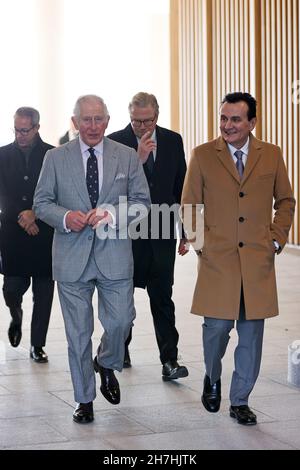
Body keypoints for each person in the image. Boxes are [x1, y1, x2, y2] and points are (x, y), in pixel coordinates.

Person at [33, 94, 150, 424]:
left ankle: (107, 361)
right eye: (87, 119)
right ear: (75, 122)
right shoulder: (55, 158)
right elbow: (41, 203)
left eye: (99, 119)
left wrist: (112, 214)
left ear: (108, 121)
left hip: (114, 255)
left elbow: (142, 202)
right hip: (71, 257)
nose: (93, 126)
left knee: (121, 321)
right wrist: (67, 216)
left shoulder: (126, 157)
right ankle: (84, 399)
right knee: (78, 335)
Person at [181, 92, 296, 425]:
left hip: (257, 261)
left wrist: (276, 240)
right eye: (223, 118)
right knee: (215, 330)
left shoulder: (271, 155)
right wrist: (201, 244)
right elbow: (189, 205)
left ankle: (240, 400)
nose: (226, 126)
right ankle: (212, 376)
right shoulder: (202, 155)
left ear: (252, 123)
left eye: (234, 119)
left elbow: (286, 201)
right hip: (218, 260)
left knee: (251, 334)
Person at [108, 92, 189, 380]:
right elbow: (110, 190)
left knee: (163, 298)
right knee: (122, 298)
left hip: (163, 230)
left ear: (157, 116)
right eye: (136, 121)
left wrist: (188, 232)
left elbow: (182, 186)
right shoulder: (116, 142)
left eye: (147, 121)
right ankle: (121, 350)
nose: (142, 127)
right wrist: (138, 159)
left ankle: (169, 360)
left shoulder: (172, 140)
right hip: (127, 232)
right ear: (129, 116)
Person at [0, 107, 55, 363]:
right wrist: (22, 216)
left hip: (44, 234)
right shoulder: (2, 155)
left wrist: (36, 213)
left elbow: (58, 191)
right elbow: (2, 194)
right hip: (13, 232)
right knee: (11, 288)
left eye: (25, 130)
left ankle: (37, 345)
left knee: (43, 293)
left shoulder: (52, 155)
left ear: (36, 128)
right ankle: (16, 312)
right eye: (17, 130)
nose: (20, 135)